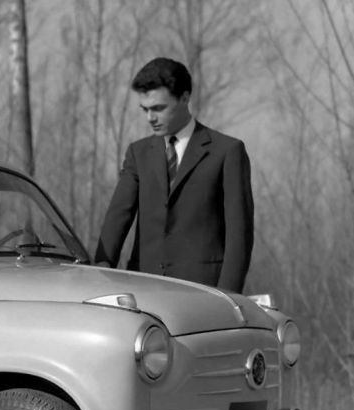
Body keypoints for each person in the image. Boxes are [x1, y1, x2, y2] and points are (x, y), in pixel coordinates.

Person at [93, 57, 254, 293]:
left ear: (185, 98)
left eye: (159, 108)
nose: (150, 118)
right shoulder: (138, 153)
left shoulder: (227, 152)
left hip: (203, 292)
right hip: (144, 290)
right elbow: (118, 216)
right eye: (145, 109)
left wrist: (227, 296)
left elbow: (239, 236)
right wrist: (100, 270)